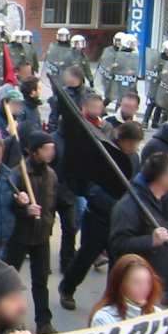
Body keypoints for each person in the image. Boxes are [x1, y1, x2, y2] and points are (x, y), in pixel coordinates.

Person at [58, 121, 143, 310]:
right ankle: (67, 288)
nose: (134, 148)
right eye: (131, 143)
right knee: (86, 256)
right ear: (122, 140)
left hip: (121, 220)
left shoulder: (134, 158)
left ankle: (113, 301)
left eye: (136, 144)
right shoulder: (104, 153)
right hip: (98, 217)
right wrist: (115, 205)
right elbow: (92, 187)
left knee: (118, 263)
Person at [109, 152, 168, 304]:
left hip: (166, 280)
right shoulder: (129, 206)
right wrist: (150, 241)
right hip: (141, 286)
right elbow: (117, 245)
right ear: (161, 177)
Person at [2, 131, 58, 334]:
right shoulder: (17, 174)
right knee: (10, 280)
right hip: (20, 235)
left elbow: (53, 203)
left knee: (41, 280)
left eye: (52, 148)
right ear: (34, 152)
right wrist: (23, 208)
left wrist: (49, 221)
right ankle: (9, 319)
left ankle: (44, 322)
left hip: (42, 235)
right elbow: (7, 205)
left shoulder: (51, 174)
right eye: (46, 149)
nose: (51, 152)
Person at [90, 254, 163, 327]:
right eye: (136, 282)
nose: (144, 288)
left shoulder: (157, 314)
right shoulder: (104, 318)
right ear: (121, 284)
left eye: (148, 282)